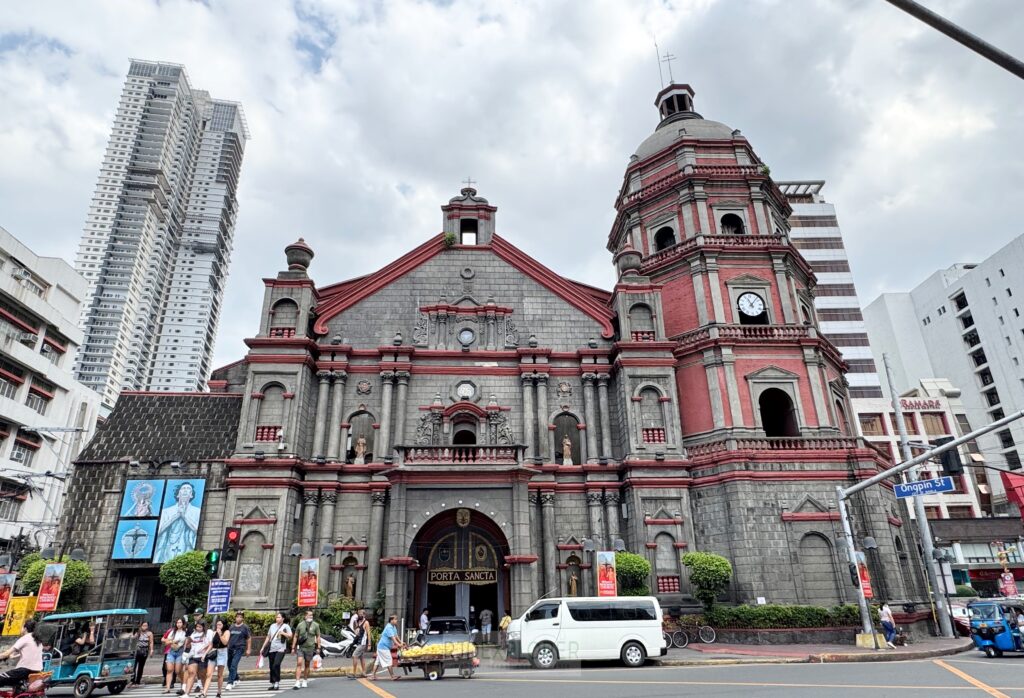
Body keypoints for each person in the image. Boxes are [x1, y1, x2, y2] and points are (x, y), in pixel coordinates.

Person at [154, 481, 202, 563]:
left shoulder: (197, 511)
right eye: (183, 488)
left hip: (187, 547)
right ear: (178, 494)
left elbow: (197, 530)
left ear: (191, 495)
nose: (185, 490)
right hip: (167, 548)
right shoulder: (166, 511)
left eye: (188, 489)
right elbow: (158, 531)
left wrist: (184, 516)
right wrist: (176, 515)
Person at [0, 619, 43, 687]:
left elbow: (6, 653)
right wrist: (14, 656)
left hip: (24, 671)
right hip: (37, 670)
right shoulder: (37, 639)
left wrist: (5, 655)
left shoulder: (25, 638)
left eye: (22, 627)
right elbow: (30, 652)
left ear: (25, 628)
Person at [259, 612, 292, 691]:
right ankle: (273, 683)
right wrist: (263, 647)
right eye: (277, 617)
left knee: (276, 664)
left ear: (283, 619)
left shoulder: (286, 626)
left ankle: (277, 682)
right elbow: (268, 637)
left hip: (281, 649)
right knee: (271, 666)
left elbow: (290, 636)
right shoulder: (272, 626)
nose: (277, 618)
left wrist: (283, 633)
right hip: (271, 649)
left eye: (279, 617)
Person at [180, 620, 212, 697]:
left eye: (200, 627)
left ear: (204, 627)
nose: (198, 628)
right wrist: (188, 642)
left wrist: (204, 653)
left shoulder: (208, 633)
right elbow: (188, 645)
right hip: (193, 656)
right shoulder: (193, 634)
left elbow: (210, 644)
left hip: (202, 657)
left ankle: (204, 692)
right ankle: (187, 693)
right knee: (191, 673)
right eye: (197, 626)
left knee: (202, 675)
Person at [367, 615, 403, 682]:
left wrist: (401, 642)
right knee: (389, 661)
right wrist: (399, 644)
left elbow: (396, 636)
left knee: (377, 661)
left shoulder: (393, 627)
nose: (396, 621)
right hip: (383, 647)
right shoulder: (389, 627)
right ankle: (392, 676)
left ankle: (373, 675)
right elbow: (393, 638)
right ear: (391, 620)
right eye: (395, 619)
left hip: (382, 646)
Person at [291, 610, 320, 690]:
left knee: (307, 665)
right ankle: (297, 682)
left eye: (312, 615)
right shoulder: (300, 625)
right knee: (299, 663)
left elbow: (318, 636)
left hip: (310, 648)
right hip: (301, 648)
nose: (311, 617)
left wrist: (318, 647)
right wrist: (293, 647)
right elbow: (295, 636)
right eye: (309, 615)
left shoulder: (316, 625)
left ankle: (305, 680)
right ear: (305, 616)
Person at [202, 618, 231, 698]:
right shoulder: (214, 632)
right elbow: (211, 644)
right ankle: (204, 692)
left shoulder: (227, 632)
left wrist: (220, 634)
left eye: (220, 624)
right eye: (217, 624)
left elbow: (225, 642)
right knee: (208, 674)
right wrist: (205, 653)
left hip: (222, 653)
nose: (218, 626)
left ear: (224, 625)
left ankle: (219, 692)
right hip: (214, 653)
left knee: (219, 675)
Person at [226, 612, 252, 689]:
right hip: (230, 648)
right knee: (229, 665)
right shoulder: (232, 627)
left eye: (240, 617)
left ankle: (230, 682)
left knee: (234, 665)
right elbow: (228, 636)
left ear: (243, 618)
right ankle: (236, 678)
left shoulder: (245, 627)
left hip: (239, 648)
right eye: (237, 617)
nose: (238, 618)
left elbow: (249, 638)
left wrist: (248, 649)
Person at [162, 619, 187, 693]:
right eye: (177, 622)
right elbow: (166, 642)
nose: (178, 624)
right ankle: (167, 688)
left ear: (183, 623)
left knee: (178, 671)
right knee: (169, 670)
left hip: (180, 651)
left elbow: (181, 641)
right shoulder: (173, 631)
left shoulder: (185, 632)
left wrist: (171, 641)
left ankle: (184, 684)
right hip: (171, 651)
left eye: (180, 622)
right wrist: (172, 641)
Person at [348, 610, 371, 680]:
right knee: (361, 657)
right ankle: (364, 673)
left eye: (361, 614)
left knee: (354, 655)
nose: (359, 615)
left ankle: (354, 673)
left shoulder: (366, 623)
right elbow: (357, 632)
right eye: (358, 614)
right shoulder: (358, 622)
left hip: (363, 643)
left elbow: (369, 634)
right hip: (359, 642)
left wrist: (369, 644)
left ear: (364, 615)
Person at [132, 620, 154, 686]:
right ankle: (133, 680)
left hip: (144, 651)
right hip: (137, 651)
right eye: (143, 625)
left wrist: (151, 650)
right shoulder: (138, 632)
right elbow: (133, 639)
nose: (145, 627)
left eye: (146, 626)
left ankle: (138, 681)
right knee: (134, 666)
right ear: (141, 626)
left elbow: (151, 642)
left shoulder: (149, 633)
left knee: (141, 666)